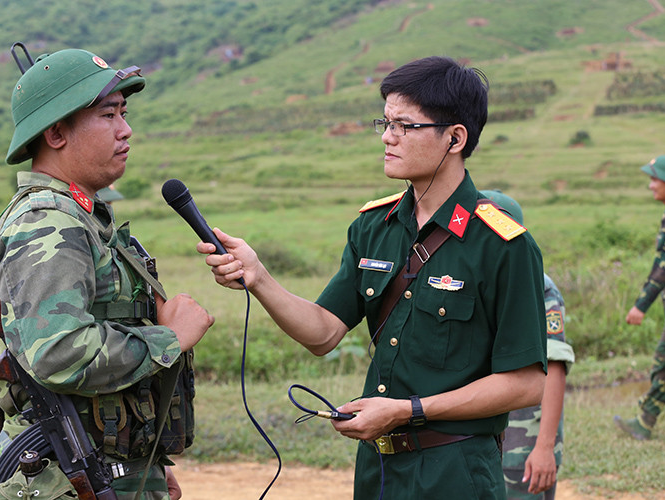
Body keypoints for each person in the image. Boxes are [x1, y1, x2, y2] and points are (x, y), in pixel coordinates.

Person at [197, 56, 547, 499]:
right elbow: (323, 333)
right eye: (384, 123)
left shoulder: (501, 245)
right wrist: (259, 276)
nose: (387, 137)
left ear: (455, 138)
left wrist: (408, 410)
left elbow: (527, 382)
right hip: (378, 468)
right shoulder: (373, 227)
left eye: (404, 126)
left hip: (455, 470)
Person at [0, 46, 214, 500]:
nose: (126, 131)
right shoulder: (48, 222)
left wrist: (145, 462)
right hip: (65, 480)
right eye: (108, 115)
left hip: (104, 470)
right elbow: (59, 352)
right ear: (57, 132)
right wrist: (171, 339)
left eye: (124, 113)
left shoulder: (83, 218)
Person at [481, 190, 575, 500]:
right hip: (481, 439)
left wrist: (544, 447)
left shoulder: (541, 289)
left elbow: (555, 368)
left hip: (525, 442)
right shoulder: (475, 280)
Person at [616, 154, 665, 441]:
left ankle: (645, 419)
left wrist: (641, 305)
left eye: (654, 179)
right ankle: (645, 419)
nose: (651, 186)